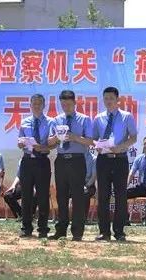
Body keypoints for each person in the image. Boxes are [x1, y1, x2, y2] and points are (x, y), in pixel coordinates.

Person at [92, 86, 138, 242]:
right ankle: (104, 231)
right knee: (103, 196)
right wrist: (97, 146)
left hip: (120, 159)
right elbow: (94, 138)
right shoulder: (98, 118)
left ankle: (119, 231)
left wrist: (121, 147)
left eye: (111, 98)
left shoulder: (126, 116)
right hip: (103, 160)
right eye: (106, 98)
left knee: (120, 195)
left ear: (118, 100)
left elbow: (133, 137)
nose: (108, 101)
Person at [48, 90, 93, 242]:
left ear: (75, 103)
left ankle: (77, 232)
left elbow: (90, 141)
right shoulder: (56, 120)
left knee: (78, 196)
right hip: (61, 160)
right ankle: (61, 230)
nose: (66, 107)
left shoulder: (84, 119)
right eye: (63, 104)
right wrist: (56, 138)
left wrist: (75, 137)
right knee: (61, 196)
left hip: (77, 160)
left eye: (68, 104)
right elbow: (49, 142)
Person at [17, 93, 55, 238]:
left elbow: (54, 143)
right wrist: (20, 143)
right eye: (34, 104)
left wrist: (43, 147)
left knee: (43, 196)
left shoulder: (51, 122)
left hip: (42, 161)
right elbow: (20, 140)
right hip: (27, 161)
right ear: (30, 105)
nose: (37, 106)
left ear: (44, 105)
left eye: (39, 103)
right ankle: (26, 227)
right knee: (26, 195)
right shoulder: (25, 122)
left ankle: (43, 228)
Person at [84, 149, 97, 223]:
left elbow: (94, 176)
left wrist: (87, 186)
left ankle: (83, 218)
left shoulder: (94, 158)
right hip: (76, 184)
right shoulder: (75, 158)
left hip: (89, 184)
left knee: (85, 193)